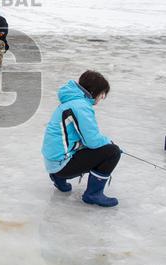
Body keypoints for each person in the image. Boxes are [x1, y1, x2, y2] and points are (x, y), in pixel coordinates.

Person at [41, 70, 120, 207]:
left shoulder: (71, 101)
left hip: (52, 161)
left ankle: (58, 178)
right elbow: (92, 141)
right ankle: (93, 194)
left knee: (103, 148)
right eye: (102, 94)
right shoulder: (81, 106)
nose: (102, 98)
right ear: (95, 92)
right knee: (112, 152)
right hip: (60, 164)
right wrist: (109, 143)